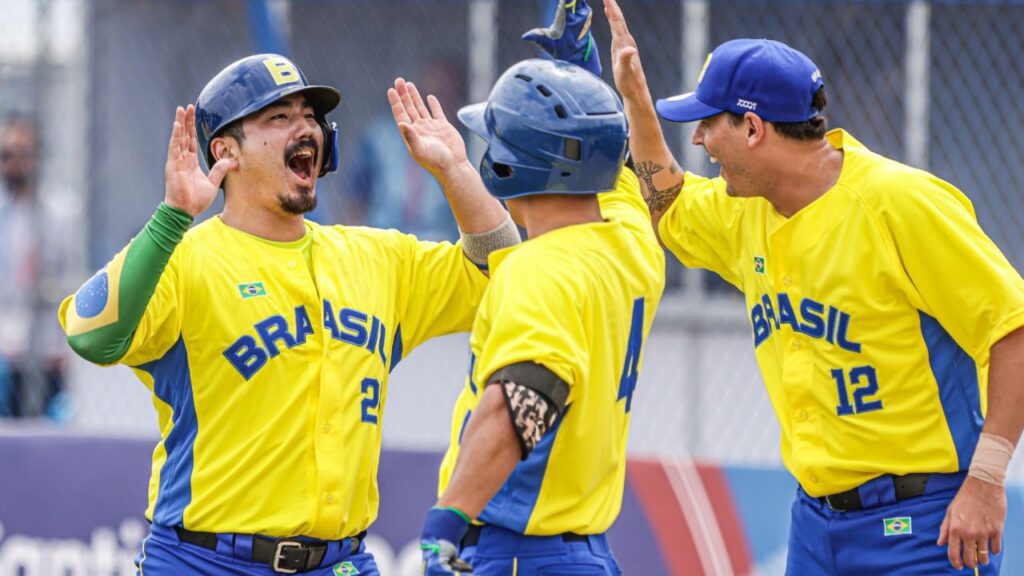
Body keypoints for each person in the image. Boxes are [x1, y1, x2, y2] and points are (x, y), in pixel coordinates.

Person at [601, 0, 1024, 573]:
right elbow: (667, 202)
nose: (698, 140)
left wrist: (988, 479)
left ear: (753, 128)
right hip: (814, 524)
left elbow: (1012, 330)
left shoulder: (900, 204)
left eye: (708, 122)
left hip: (924, 524)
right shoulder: (746, 210)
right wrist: (634, 100)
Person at [58, 54, 519, 575]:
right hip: (204, 559)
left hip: (342, 561)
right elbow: (91, 336)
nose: (305, 128)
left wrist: (455, 171)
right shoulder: (184, 258)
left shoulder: (379, 259)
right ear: (225, 152)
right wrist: (172, 218)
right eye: (278, 117)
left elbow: (503, 278)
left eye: (309, 116)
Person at [417, 20, 665, 576]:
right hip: (587, 552)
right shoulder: (634, 244)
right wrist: (582, 73)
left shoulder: (539, 269)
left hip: (518, 553)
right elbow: (610, 160)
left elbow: (521, 405)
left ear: (515, 164)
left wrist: (444, 525)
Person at [0, 114, 82, 419]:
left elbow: (73, 280)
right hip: (6, 351)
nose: (14, 163)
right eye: (6, 155)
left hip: (48, 348)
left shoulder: (61, 212)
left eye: (23, 153)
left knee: (45, 433)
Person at [345, 58, 465, 241]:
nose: (439, 105)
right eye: (430, 97)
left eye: (448, 96)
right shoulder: (379, 136)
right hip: (382, 238)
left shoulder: (465, 147)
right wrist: (352, 243)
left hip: (440, 243)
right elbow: (356, 196)